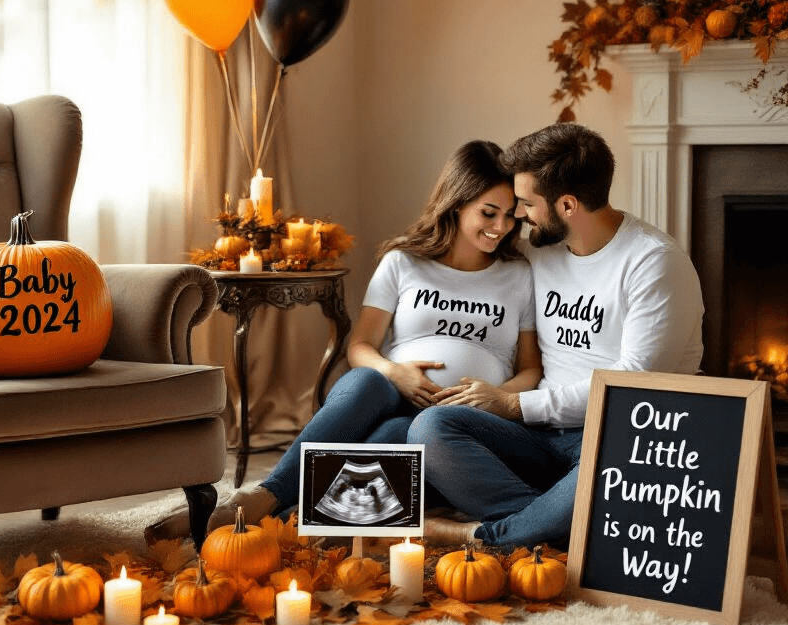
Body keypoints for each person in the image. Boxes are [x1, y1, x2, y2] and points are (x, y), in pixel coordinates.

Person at [145, 140, 542, 543]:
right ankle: (266, 498)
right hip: (390, 389)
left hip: (455, 418)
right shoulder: (404, 262)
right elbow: (360, 347)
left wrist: (496, 394)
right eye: (488, 213)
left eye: (511, 216)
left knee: (392, 440)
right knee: (367, 381)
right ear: (456, 203)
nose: (501, 227)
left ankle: (278, 517)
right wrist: (394, 372)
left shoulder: (517, 274)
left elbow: (531, 369)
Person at [408, 122, 704, 550]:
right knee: (429, 429)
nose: (518, 217)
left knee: (617, 463)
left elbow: (630, 384)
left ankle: (495, 534)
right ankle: (556, 527)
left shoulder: (653, 263)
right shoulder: (540, 248)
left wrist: (513, 403)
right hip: (542, 439)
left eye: (526, 204)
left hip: (619, 436)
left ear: (567, 204)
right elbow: (470, 261)